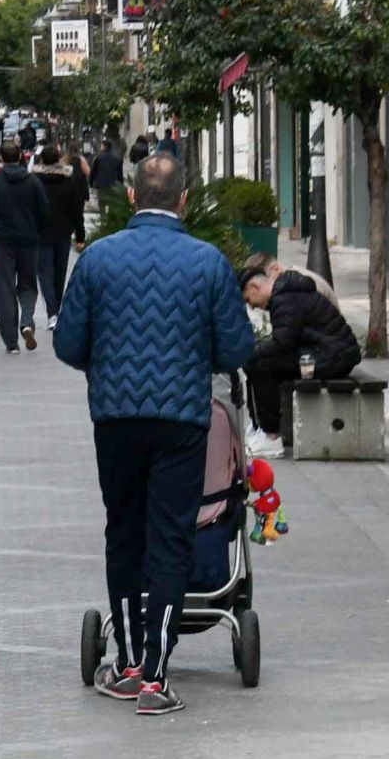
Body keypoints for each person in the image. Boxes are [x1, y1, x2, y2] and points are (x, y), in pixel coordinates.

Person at [52, 154, 257, 717]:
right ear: (183, 202)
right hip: (182, 421)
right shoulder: (208, 263)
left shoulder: (97, 259)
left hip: (115, 420)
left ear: (134, 199)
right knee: (171, 537)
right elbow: (238, 348)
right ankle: (156, 677)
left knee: (124, 534)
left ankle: (127, 661)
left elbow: (68, 345)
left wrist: (111, 359)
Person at [239, 258, 363, 452]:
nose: (252, 306)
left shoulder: (284, 297)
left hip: (332, 357)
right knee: (257, 362)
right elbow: (286, 339)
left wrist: (251, 352)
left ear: (255, 286)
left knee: (264, 366)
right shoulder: (286, 293)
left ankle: (271, 436)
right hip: (327, 353)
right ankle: (259, 428)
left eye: (248, 299)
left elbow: (283, 342)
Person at [0, 142, 49, 355]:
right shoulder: (33, 182)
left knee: (4, 288)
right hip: (29, 241)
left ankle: (11, 341)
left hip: (3, 243)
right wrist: (36, 231)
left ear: (1, 158)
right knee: (27, 285)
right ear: (20, 156)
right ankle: (27, 322)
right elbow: (44, 212)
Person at [31, 142, 89, 330]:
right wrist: (80, 236)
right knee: (59, 273)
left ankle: (52, 312)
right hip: (63, 232)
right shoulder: (69, 182)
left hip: (41, 233)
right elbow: (77, 210)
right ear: (58, 159)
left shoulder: (34, 181)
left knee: (44, 272)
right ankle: (56, 309)